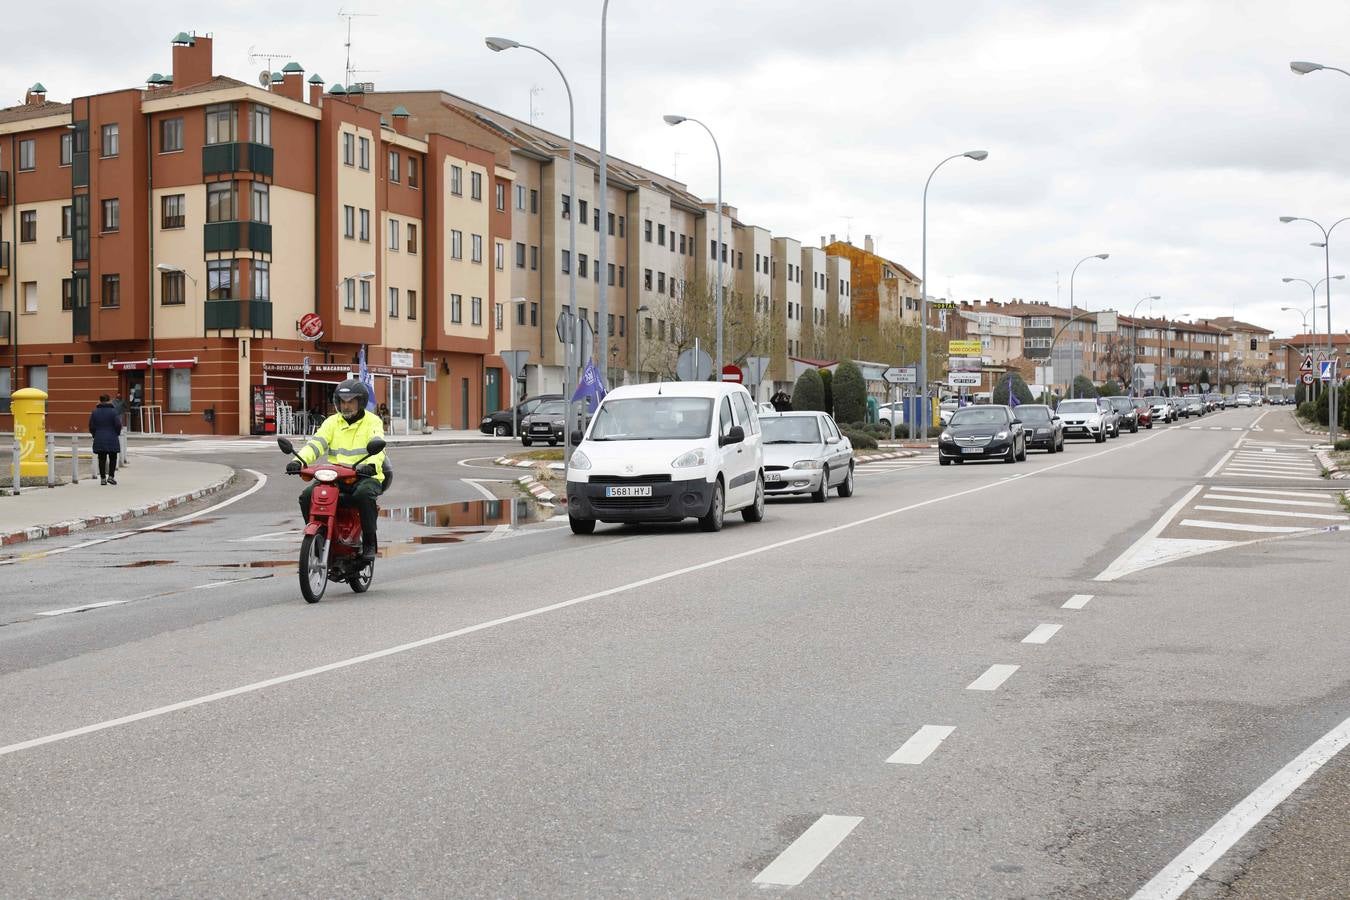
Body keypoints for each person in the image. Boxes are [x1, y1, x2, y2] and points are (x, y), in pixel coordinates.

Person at [288, 379, 387, 560]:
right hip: (336, 477)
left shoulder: (372, 422)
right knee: (307, 496)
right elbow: (316, 444)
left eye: (351, 401)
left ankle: (370, 542)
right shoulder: (332, 422)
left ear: (361, 402)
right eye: (342, 401)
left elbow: (377, 447)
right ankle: (318, 536)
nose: (346, 406)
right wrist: (299, 461)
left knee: (363, 495)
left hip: (365, 476)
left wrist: (371, 466)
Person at [88, 394, 123, 485]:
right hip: (112, 437)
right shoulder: (113, 411)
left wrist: (95, 434)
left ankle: (103, 479)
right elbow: (118, 425)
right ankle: (111, 477)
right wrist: (116, 433)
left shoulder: (95, 412)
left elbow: (91, 426)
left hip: (99, 437)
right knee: (113, 457)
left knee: (101, 458)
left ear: (100, 400)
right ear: (109, 400)